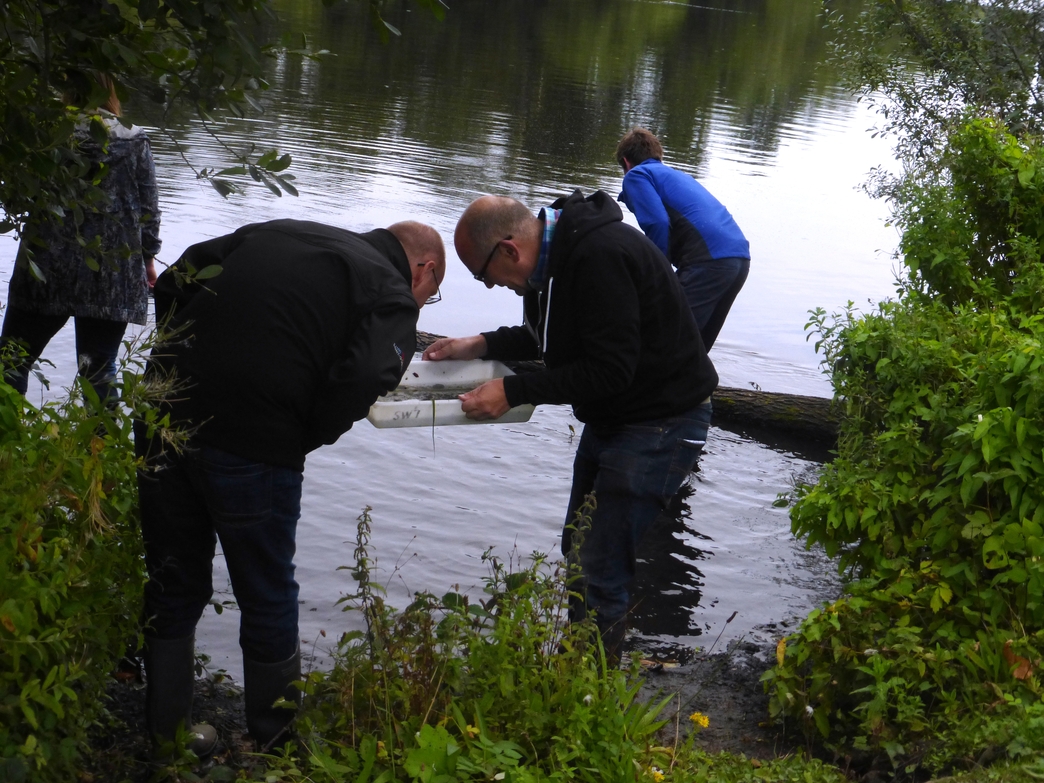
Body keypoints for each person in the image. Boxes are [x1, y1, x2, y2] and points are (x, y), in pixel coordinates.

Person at [136, 218, 445, 756]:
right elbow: (365, 376)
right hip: (256, 439)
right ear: (425, 270)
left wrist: (184, 361)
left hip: (162, 414)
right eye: (432, 295)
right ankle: (272, 742)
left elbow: (172, 282)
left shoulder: (273, 232)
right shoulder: (392, 294)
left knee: (172, 578)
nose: (422, 302)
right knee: (267, 591)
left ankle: (166, 741)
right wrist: (303, 434)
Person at [423, 191, 717, 661]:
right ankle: (577, 672)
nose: (491, 287)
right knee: (578, 547)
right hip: (617, 415)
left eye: (484, 276)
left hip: (662, 419)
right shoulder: (553, 262)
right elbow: (547, 338)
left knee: (601, 565)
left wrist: (513, 392)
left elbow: (609, 370)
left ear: (508, 250)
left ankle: (588, 694)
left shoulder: (600, 257)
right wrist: (477, 345)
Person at [1, 73, 160, 403]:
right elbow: (149, 210)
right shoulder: (134, 138)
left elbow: (18, 197)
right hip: (112, 271)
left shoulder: (47, 132)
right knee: (99, 368)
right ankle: (101, 449)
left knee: (12, 362)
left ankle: (7, 441)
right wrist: (148, 261)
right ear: (111, 90)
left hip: (46, 265)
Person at [615, 127, 750, 351]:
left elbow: (657, 222)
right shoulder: (676, 176)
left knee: (666, 334)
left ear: (626, 162)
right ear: (659, 157)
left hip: (709, 261)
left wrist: (657, 274)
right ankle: (694, 385)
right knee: (696, 345)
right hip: (739, 259)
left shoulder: (637, 175)